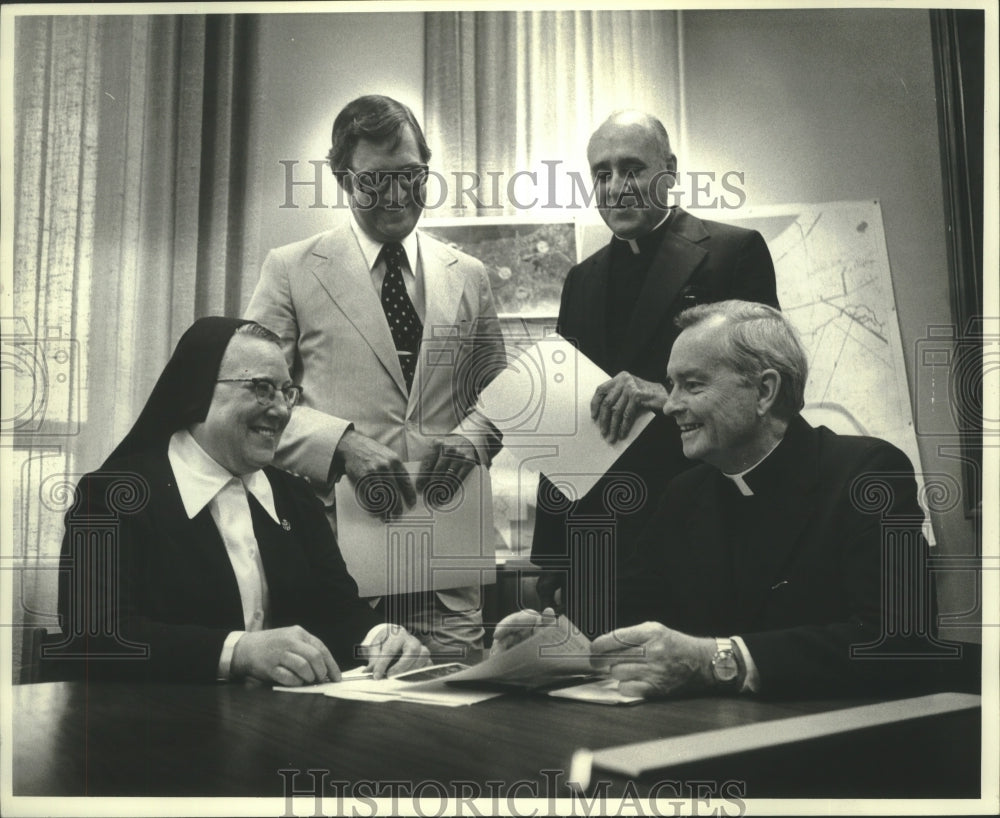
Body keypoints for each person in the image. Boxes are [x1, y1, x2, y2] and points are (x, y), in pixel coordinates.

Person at [499, 301, 959, 697]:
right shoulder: (686, 492)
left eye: (692, 385)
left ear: (764, 391)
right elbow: (628, 608)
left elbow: (903, 641)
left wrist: (721, 660)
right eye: (671, 385)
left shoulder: (867, 473)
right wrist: (558, 637)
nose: (671, 405)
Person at [246, 95, 505, 654]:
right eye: (376, 180)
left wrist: (474, 437)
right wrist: (341, 445)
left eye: (411, 176)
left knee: (458, 722)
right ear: (343, 178)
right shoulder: (290, 270)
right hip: (337, 563)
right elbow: (253, 399)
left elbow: (501, 397)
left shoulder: (471, 275)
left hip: (446, 561)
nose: (395, 195)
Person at [53, 318, 431, 685]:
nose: (282, 410)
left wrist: (381, 638)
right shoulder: (111, 495)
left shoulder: (294, 496)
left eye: (287, 392)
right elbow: (94, 636)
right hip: (158, 731)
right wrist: (239, 651)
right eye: (262, 388)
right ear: (198, 391)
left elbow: (337, 608)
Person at [530, 110, 779, 635]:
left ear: (668, 170)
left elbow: (773, 391)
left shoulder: (734, 253)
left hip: (702, 533)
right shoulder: (581, 280)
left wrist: (664, 394)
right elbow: (562, 422)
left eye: (631, 169)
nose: (616, 187)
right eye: (601, 174)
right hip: (599, 549)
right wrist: (553, 555)